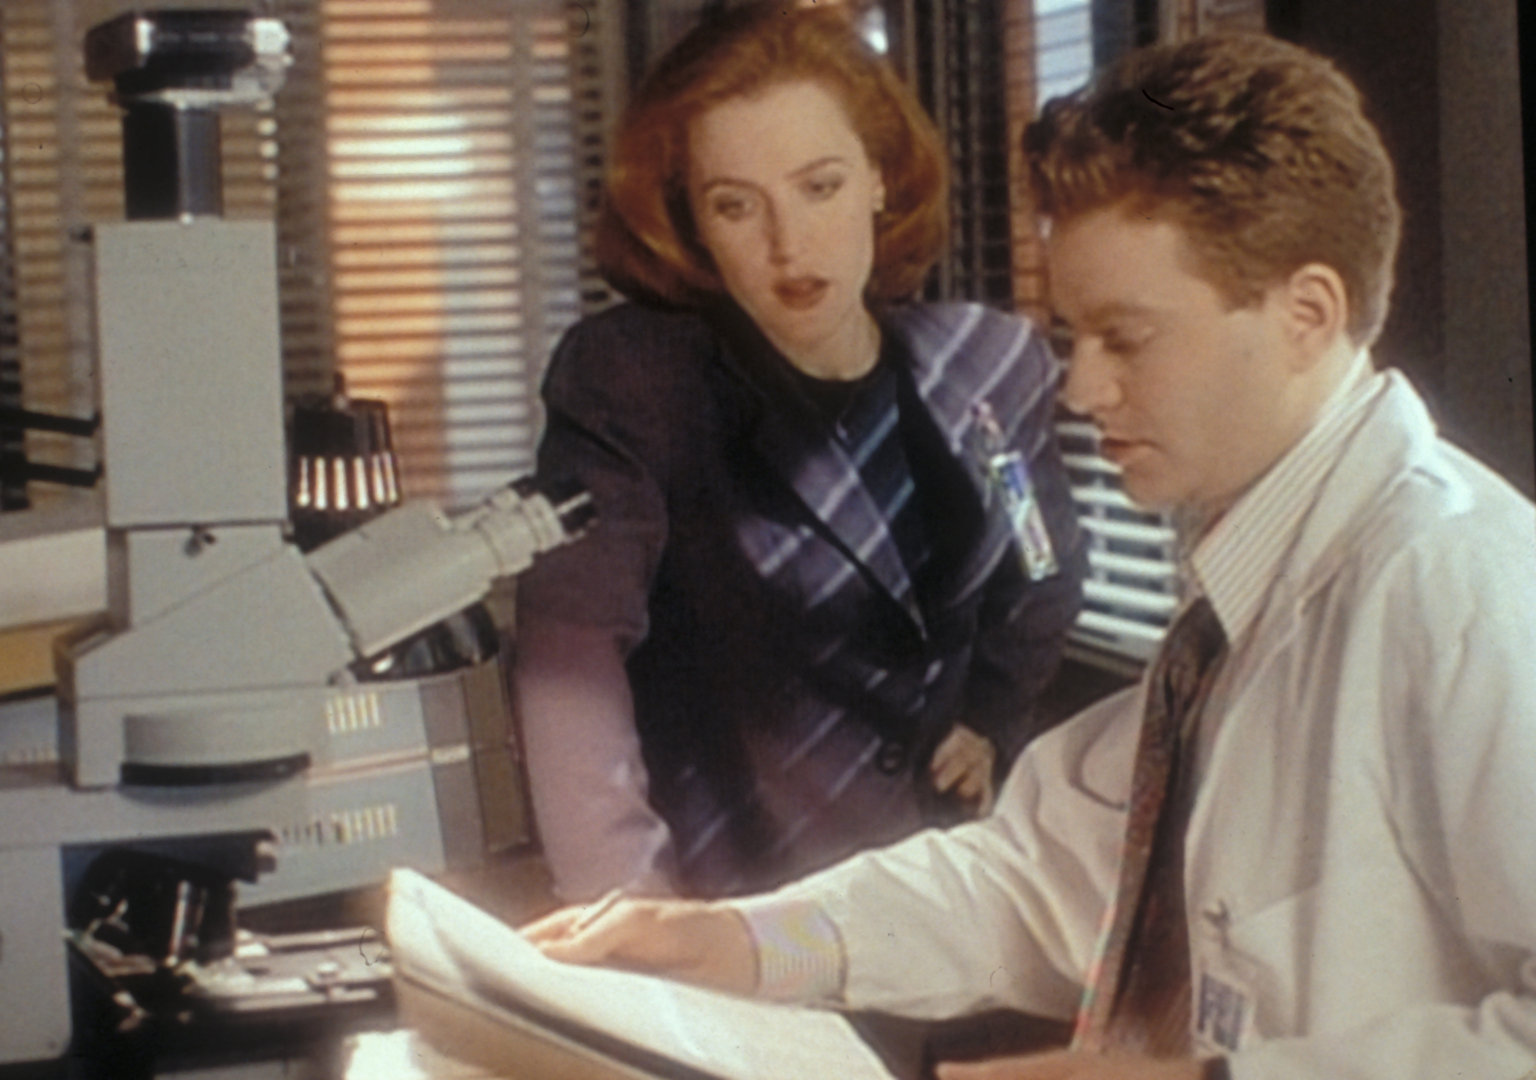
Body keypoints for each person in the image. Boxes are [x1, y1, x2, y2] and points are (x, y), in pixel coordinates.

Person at [524, 31, 1536, 1080]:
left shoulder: (1459, 588)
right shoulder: (1249, 600)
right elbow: (1025, 888)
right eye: (1074, 336)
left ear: (1307, 314)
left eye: (1126, 339)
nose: (1081, 388)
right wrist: (739, 942)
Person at [512, 1, 1087, 901]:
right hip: (736, 909)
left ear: (880, 179)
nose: (790, 245)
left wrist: (992, 714)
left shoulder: (989, 365)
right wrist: (629, 913)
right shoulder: (636, 383)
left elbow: (1042, 564)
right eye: (736, 205)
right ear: (692, 223)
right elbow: (568, 663)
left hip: (940, 900)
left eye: (820, 187)